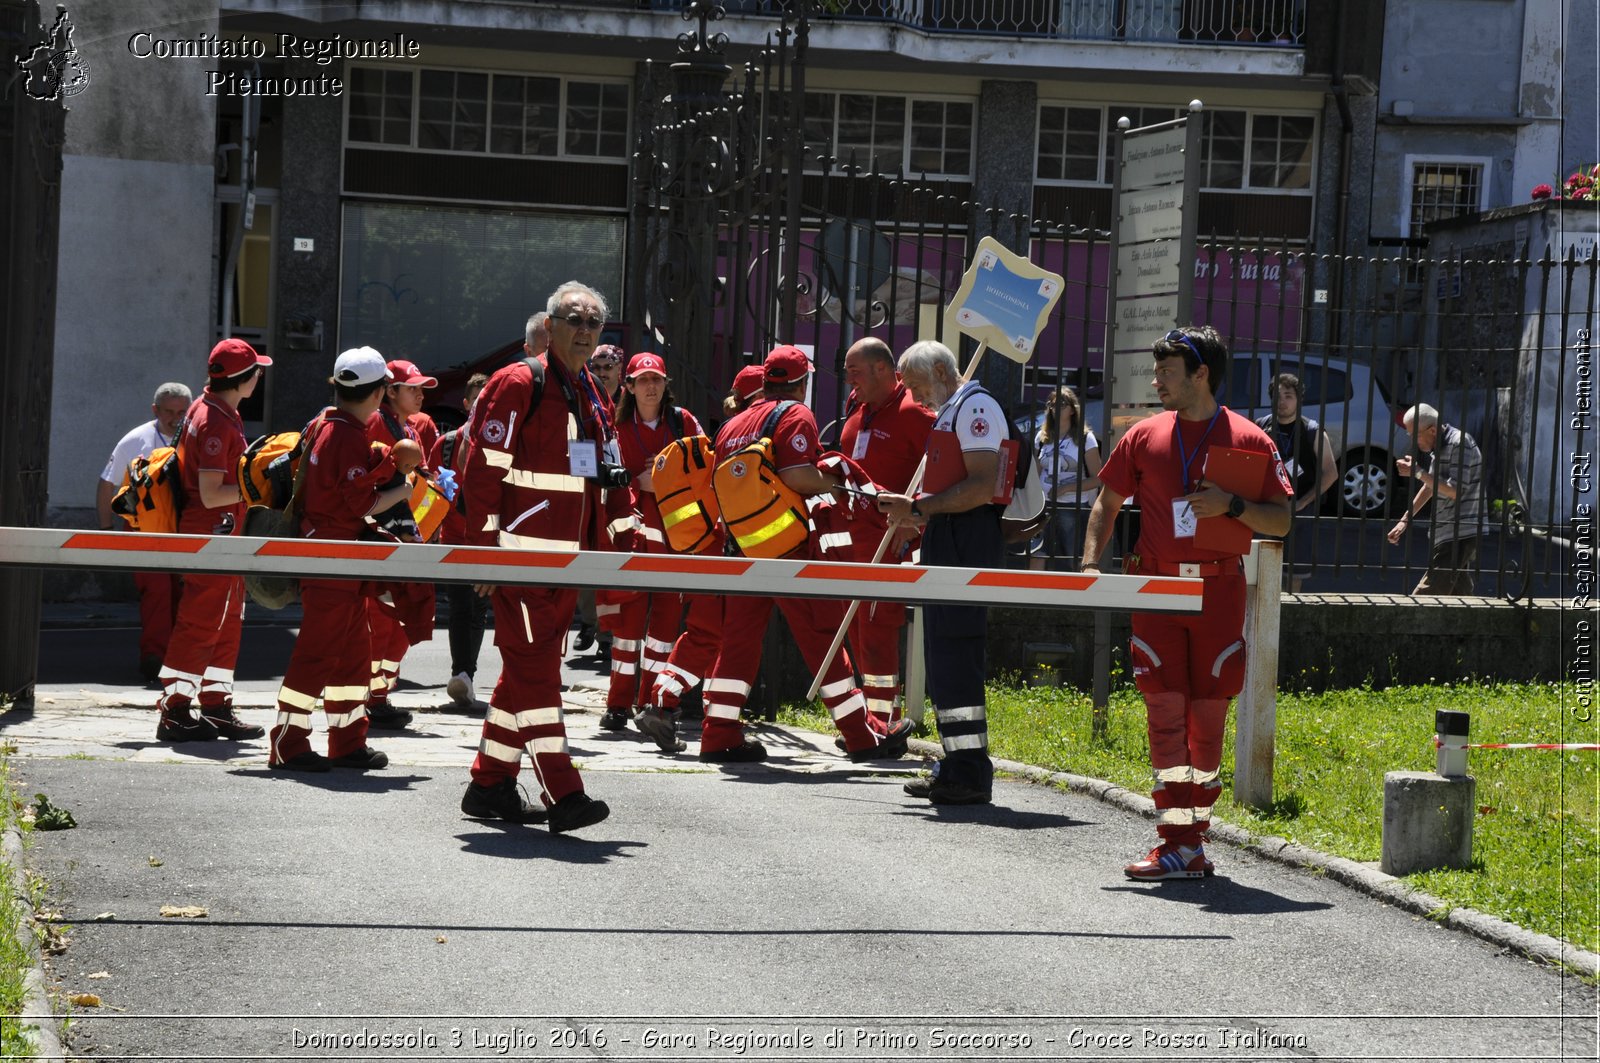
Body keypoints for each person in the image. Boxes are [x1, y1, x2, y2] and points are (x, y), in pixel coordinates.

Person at [1080, 326, 1292, 880]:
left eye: (1167, 372)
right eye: (1157, 372)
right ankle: (1177, 841)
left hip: (1218, 589)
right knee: (1164, 712)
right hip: (1155, 588)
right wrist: (1088, 563)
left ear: (1201, 374)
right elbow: (1107, 502)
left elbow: (1282, 520)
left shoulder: (1251, 439)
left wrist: (1233, 504)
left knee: (1207, 716)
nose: (1157, 382)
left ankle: (1190, 844)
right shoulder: (1143, 435)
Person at [658, 344, 911, 764]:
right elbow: (797, 474)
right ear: (802, 382)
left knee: (738, 641)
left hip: (740, 548)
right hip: (789, 548)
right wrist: (832, 480)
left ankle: (719, 733)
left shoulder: (734, 422)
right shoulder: (795, 414)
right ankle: (861, 735)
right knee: (821, 636)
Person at [457, 280, 639, 834]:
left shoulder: (589, 390)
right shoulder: (518, 382)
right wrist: (484, 556)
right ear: (550, 325)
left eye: (594, 323)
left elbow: (607, 474)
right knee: (538, 673)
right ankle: (563, 792)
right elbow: (479, 472)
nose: (585, 331)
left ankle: (490, 785)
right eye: (574, 320)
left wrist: (622, 543)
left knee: (528, 671)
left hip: (568, 563)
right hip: (521, 560)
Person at [267, 348, 416, 772]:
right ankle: (288, 743)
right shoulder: (348, 434)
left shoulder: (325, 423)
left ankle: (348, 741)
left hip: (337, 556)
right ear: (379, 392)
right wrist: (402, 491)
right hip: (334, 555)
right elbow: (359, 503)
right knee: (318, 652)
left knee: (354, 651)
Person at [876, 340, 1009, 805]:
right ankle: (957, 764)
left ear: (938, 370)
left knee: (956, 651)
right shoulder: (955, 409)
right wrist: (920, 512)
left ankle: (970, 772)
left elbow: (981, 485)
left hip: (965, 537)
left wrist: (919, 507)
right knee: (943, 655)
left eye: (915, 386)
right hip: (947, 533)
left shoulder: (976, 408)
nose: (914, 398)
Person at [154, 340, 272, 744]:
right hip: (212, 531)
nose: (260, 376)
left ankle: (216, 704)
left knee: (225, 621)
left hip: (221, 532)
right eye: (257, 370)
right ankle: (175, 710)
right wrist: (257, 487)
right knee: (201, 621)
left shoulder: (215, 410)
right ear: (243, 378)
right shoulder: (216, 420)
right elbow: (209, 493)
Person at [599, 352, 707, 737]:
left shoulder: (683, 423)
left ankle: (650, 703)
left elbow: (703, 471)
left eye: (656, 380)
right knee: (627, 630)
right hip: (630, 542)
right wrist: (634, 481)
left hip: (675, 542)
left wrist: (661, 483)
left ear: (665, 384)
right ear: (628, 386)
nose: (650, 386)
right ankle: (616, 704)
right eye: (642, 380)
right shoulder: (615, 425)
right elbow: (601, 477)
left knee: (662, 630)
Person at [836, 336, 934, 729]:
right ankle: (870, 719)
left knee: (877, 630)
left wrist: (915, 521)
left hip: (889, 544)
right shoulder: (858, 409)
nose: (848, 381)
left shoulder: (915, 411)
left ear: (881, 369)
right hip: (852, 543)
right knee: (859, 631)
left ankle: (882, 720)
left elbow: (941, 470)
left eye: (854, 371)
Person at [361, 356, 443, 731]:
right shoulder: (377, 422)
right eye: (413, 388)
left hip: (408, 537)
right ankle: (368, 697)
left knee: (402, 624)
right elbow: (376, 483)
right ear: (390, 391)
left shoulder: (408, 425)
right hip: (384, 536)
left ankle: (379, 695)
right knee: (382, 622)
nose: (420, 394)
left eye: (422, 388)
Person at [96, 381, 193, 681]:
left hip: (184, 530)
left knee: (184, 595)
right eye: (168, 411)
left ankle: (179, 662)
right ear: (155, 410)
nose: (175, 418)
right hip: (144, 531)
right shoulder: (136, 439)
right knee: (158, 593)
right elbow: (106, 484)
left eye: (182, 411)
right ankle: (154, 658)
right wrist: (106, 530)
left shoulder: (195, 439)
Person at [431, 372, 491, 709]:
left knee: (478, 608)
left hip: (486, 541)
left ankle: (465, 676)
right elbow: (430, 493)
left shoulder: (500, 441)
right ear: (466, 405)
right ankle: (462, 673)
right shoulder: (447, 443)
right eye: (477, 400)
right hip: (453, 538)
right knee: (460, 607)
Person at [1387, 402, 1484, 595]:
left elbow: (1455, 491)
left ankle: (1404, 624)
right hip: (1448, 530)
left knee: (1426, 596)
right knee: (1460, 597)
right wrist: (1404, 520)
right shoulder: (1441, 446)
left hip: (1459, 531)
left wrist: (1417, 472)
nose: (1413, 440)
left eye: (1415, 434)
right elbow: (1430, 486)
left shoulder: (1459, 443)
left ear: (1432, 430)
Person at [573, 342, 628, 656]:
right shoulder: (585, 397)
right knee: (586, 562)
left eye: (609, 368)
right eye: (597, 368)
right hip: (589, 488)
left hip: (620, 495)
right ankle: (589, 623)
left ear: (620, 371)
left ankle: (608, 636)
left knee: (613, 564)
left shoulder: (628, 402)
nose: (602, 374)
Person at [1030, 386, 1104, 571]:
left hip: (1072, 506)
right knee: (1038, 552)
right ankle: (1031, 593)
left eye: (1060, 404)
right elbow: (1035, 472)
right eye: (1051, 404)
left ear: (1072, 410)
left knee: (1069, 556)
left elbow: (1098, 478)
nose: (1054, 408)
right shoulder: (1042, 437)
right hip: (1044, 505)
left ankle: (1070, 596)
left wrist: (1066, 488)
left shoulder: (1085, 438)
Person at [1254, 372, 1337, 517]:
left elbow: (1331, 474)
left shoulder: (1312, 431)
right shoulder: (1260, 426)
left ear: (1299, 400)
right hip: (1267, 507)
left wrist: (1303, 502)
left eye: (1288, 396)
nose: (1282, 401)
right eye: (1277, 396)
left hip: (1301, 511)